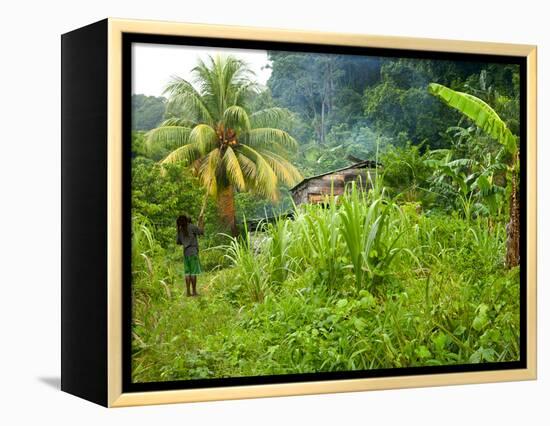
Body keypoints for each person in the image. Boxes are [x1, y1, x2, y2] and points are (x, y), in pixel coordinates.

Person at [176, 215, 204, 296]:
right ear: (188, 221)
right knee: (193, 272)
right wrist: (201, 223)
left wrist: (185, 240)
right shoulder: (192, 227)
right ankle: (194, 292)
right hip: (193, 252)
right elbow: (201, 232)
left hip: (186, 253)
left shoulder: (180, 230)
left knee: (187, 273)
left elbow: (178, 242)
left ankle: (188, 292)